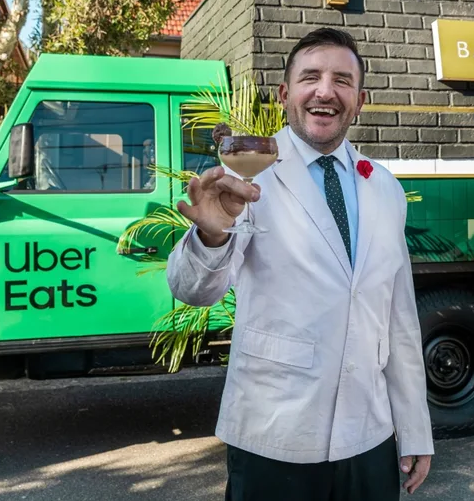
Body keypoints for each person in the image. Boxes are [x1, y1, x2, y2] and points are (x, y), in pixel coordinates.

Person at [166, 27, 434, 499]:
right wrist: (210, 235)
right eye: (311, 77)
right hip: (274, 434)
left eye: (342, 80)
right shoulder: (244, 173)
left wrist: (413, 429)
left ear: (360, 99)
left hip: (368, 436)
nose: (326, 91)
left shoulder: (386, 188)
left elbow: (400, 319)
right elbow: (193, 290)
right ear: (285, 94)